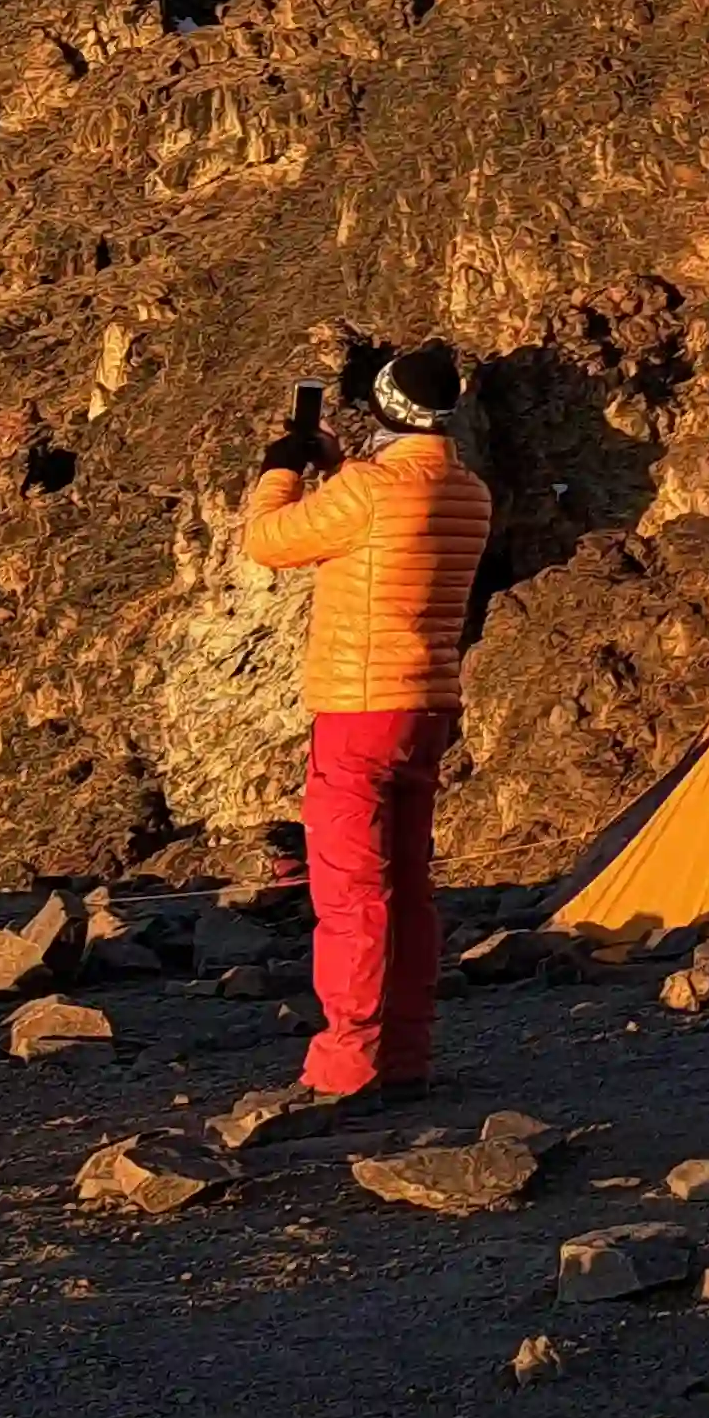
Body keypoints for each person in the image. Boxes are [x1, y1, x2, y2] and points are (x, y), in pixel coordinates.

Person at [243, 347, 495, 1104]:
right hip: (426, 705)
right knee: (408, 888)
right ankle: (406, 1051)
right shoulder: (468, 489)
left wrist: (280, 470)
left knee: (354, 892)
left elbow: (269, 541)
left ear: (385, 409)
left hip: (359, 708)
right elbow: (388, 519)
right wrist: (341, 467)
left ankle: (345, 1066)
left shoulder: (369, 490)